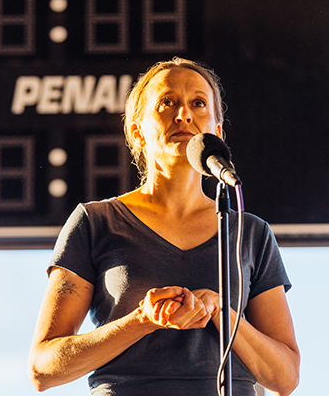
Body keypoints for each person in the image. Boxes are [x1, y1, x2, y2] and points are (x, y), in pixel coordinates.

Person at [28, 57, 300, 396]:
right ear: (137, 130)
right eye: (166, 102)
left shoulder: (252, 233)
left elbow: (285, 377)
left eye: (198, 103)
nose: (183, 114)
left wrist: (222, 313)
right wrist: (142, 320)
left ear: (216, 131)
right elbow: (43, 369)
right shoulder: (95, 223)